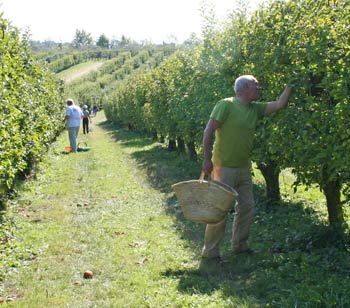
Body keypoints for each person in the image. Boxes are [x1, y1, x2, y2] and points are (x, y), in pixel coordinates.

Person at [201, 75, 293, 260]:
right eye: (256, 85)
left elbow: (280, 104)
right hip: (223, 167)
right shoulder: (226, 105)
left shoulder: (255, 108)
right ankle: (210, 252)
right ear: (245, 89)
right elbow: (209, 130)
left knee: (247, 207)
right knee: (220, 210)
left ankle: (240, 245)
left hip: (243, 167)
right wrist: (206, 159)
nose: (260, 88)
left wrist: (292, 84)